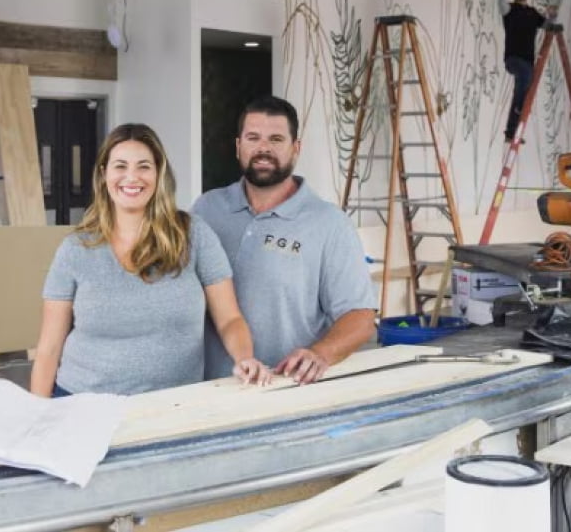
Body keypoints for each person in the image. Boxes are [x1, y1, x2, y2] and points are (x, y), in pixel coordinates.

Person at [30, 123, 271, 397]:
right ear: (103, 173)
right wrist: (38, 418)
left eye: (144, 166)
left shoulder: (194, 235)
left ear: (158, 174)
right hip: (82, 402)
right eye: (120, 166)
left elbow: (229, 319)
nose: (131, 177)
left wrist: (244, 358)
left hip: (171, 405)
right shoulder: (75, 249)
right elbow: (49, 349)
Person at [192, 96, 377, 384]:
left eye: (276, 139)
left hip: (286, 389)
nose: (263, 148)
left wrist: (321, 353)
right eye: (253, 137)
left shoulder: (329, 223)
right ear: (238, 145)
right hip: (209, 387)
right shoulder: (206, 210)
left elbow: (361, 318)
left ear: (296, 148)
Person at [499, 0, 557, 143]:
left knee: (523, 88)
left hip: (528, 63)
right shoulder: (509, 9)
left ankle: (511, 131)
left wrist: (553, 15)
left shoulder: (532, 13)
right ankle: (516, 118)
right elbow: (500, 2)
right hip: (513, 60)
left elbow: (549, 26)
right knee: (524, 80)